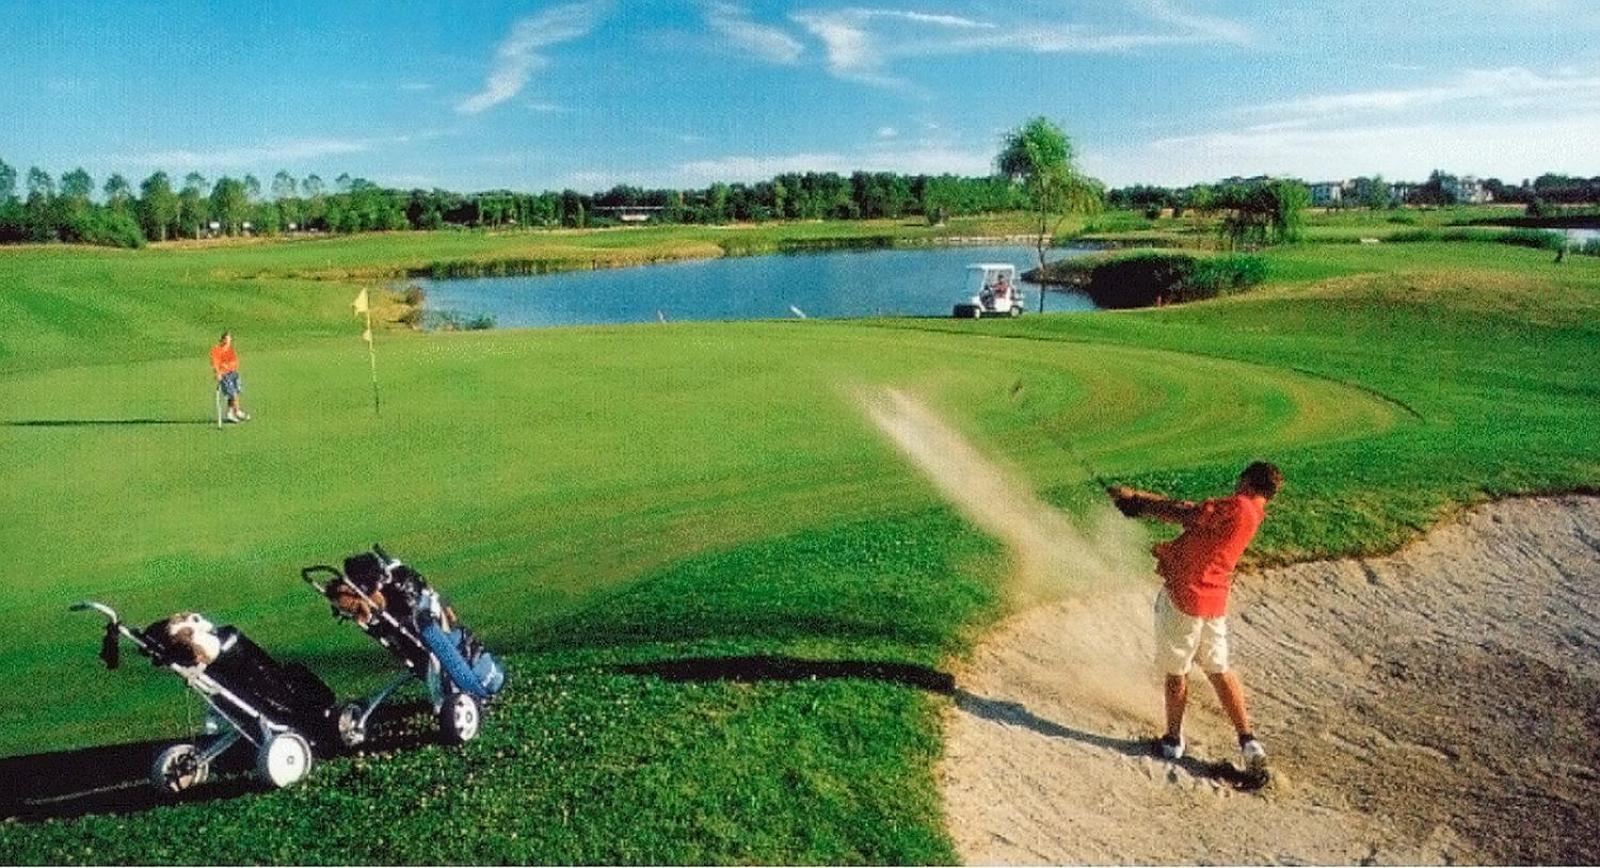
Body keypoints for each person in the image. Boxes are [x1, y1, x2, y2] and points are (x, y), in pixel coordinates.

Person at [1108, 461, 1284, 773]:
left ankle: (1173, 741)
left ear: (1247, 482)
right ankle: (1248, 741)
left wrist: (1137, 503)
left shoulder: (1238, 506)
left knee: (1178, 672)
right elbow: (1195, 510)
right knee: (1219, 670)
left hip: (1185, 597)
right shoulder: (1254, 512)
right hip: (1214, 601)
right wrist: (1139, 499)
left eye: (1239, 479)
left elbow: (1185, 514)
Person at [210, 330, 250, 423]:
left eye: (230, 339)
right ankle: (237, 412)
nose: (229, 341)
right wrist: (218, 373)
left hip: (233, 373)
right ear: (222, 340)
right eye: (227, 339)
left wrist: (231, 366)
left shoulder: (230, 349)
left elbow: (235, 361)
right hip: (224, 375)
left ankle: (231, 412)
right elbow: (215, 363)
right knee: (232, 394)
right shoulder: (216, 350)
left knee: (236, 392)